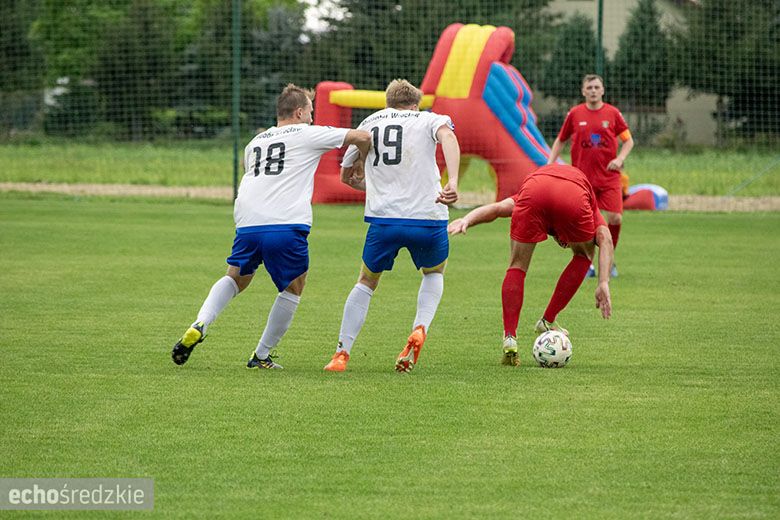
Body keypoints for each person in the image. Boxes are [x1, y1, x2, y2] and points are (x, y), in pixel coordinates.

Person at [171, 84, 371, 369]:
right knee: (294, 287)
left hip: (248, 222)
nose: (313, 118)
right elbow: (363, 136)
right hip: (286, 223)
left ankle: (200, 322)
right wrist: (360, 163)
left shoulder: (255, 142)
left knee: (236, 277)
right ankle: (261, 356)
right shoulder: (308, 133)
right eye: (310, 112)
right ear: (299, 112)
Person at [323, 79, 460, 373]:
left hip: (384, 219)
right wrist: (454, 182)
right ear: (415, 104)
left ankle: (341, 354)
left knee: (366, 281)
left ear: (387, 103)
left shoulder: (370, 121)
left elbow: (347, 176)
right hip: (427, 216)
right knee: (434, 272)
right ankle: (420, 327)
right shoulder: (428, 119)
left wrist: (372, 186)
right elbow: (448, 136)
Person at [448, 164, 613, 366]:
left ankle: (510, 337)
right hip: (573, 194)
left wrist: (467, 219)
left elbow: (497, 209)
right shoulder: (590, 205)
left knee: (517, 265)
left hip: (534, 187)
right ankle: (547, 320)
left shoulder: (524, 196)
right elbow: (605, 238)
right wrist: (603, 281)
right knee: (584, 253)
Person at [547, 74, 634, 277]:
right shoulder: (575, 114)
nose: (593, 90)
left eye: (597, 87)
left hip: (609, 177)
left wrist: (620, 159)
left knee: (615, 217)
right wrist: (549, 164)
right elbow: (561, 140)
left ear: (603, 90)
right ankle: (587, 263)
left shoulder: (613, 114)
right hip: (581, 180)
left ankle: (609, 259)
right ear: (583, 91)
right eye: (589, 87)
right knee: (583, 223)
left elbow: (628, 141)